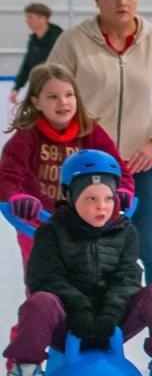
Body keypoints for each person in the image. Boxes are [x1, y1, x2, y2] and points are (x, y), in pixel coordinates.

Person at [3, 150, 152, 376]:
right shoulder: (50, 233)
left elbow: (128, 277)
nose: (102, 206)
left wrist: (110, 312)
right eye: (91, 198)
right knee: (39, 303)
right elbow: (46, 279)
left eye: (109, 198)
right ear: (71, 197)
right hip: (67, 322)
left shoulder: (124, 231)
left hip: (112, 320)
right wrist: (80, 310)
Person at [47, 0, 152, 288]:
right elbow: (49, 95)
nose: (122, 2)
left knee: (150, 243)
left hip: (145, 164)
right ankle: (91, 325)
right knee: (87, 248)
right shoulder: (73, 42)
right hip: (88, 165)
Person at [1, 63, 131, 269]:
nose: (63, 102)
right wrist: (16, 197)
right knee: (43, 277)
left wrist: (123, 189)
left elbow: (118, 169)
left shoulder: (90, 131)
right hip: (38, 222)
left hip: (84, 220)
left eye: (69, 95)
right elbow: (7, 177)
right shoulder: (26, 136)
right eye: (52, 97)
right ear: (36, 102)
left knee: (88, 275)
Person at [11, 3, 63, 105]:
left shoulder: (58, 38)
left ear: (42, 18)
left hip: (58, 88)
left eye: (30, 17)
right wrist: (17, 88)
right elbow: (27, 66)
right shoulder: (33, 40)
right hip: (40, 87)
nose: (27, 21)